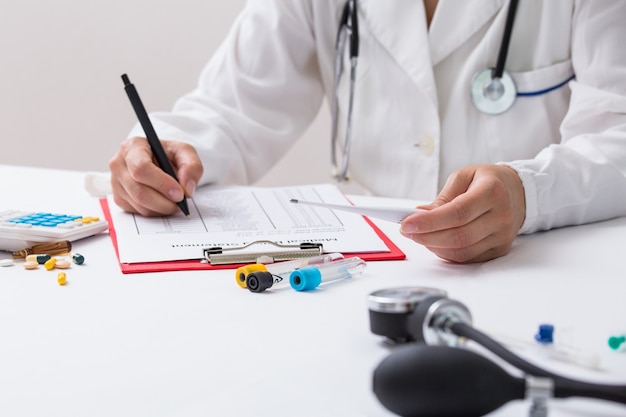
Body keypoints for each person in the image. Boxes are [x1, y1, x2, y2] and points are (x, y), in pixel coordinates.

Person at [109, 0, 626, 263]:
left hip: (545, 261)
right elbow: (232, 108)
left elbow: (619, 133)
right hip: (374, 264)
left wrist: (530, 193)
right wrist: (166, 155)